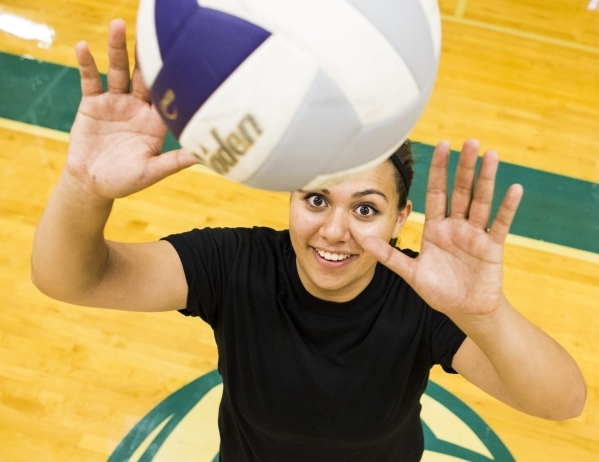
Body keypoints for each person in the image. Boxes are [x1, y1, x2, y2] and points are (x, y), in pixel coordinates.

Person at [31, 19, 586, 461]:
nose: (335, 230)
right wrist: (85, 185)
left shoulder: (427, 295)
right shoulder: (236, 264)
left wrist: (485, 313)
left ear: (401, 218)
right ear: (290, 197)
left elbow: (562, 403)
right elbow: (71, 279)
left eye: (366, 208)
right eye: (316, 200)